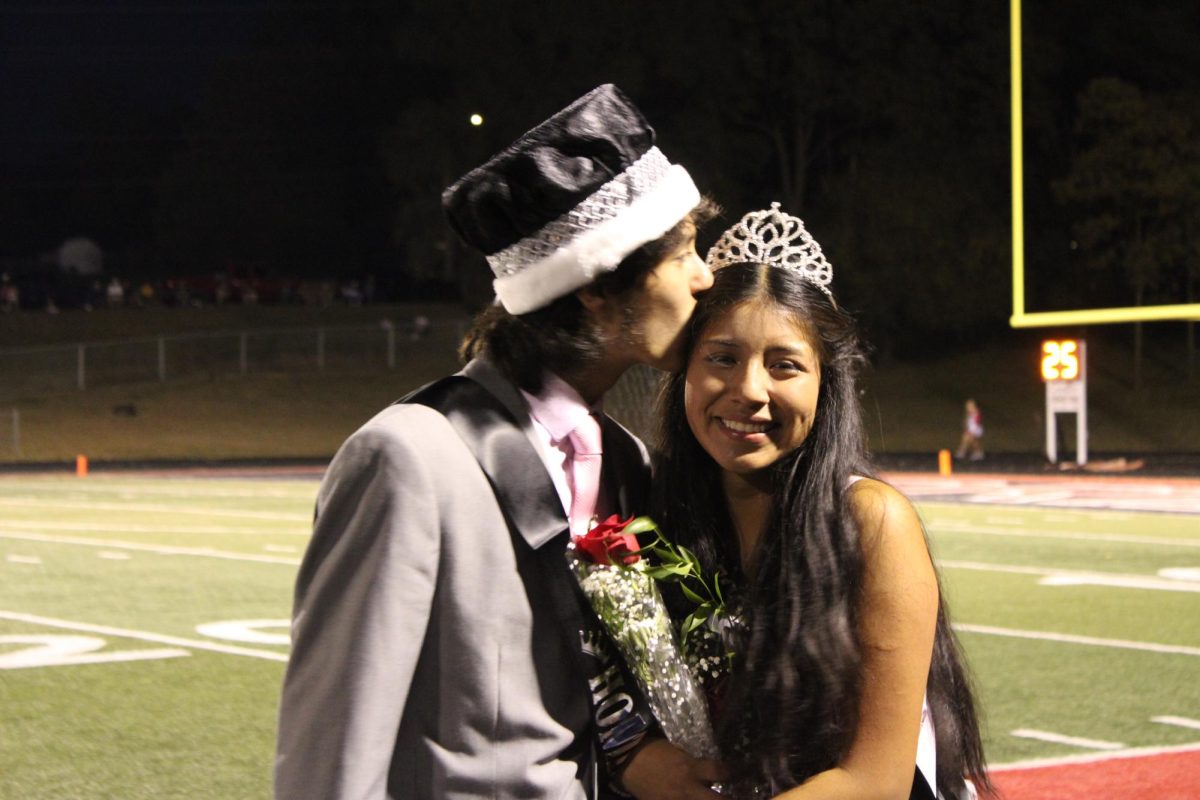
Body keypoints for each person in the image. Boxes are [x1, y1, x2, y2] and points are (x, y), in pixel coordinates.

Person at [275, 84, 725, 799]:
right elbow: (330, 756)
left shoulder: (630, 462)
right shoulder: (409, 457)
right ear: (596, 286)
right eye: (684, 254)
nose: (707, 276)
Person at [652, 205, 991, 799]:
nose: (749, 391)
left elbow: (875, 782)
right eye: (722, 358)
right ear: (684, 368)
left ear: (824, 382)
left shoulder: (872, 522)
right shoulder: (656, 515)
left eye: (784, 365)